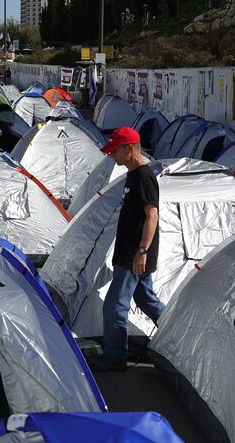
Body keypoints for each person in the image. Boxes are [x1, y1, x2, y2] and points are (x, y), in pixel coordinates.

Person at [90, 126, 164, 371]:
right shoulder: (133, 175)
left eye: (115, 151)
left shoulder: (144, 176)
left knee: (114, 306)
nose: (112, 156)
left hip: (134, 255)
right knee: (146, 300)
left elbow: (152, 216)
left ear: (129, 149)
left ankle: (115, 357)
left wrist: (142, 252)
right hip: (131, 253)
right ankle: (177, 337)